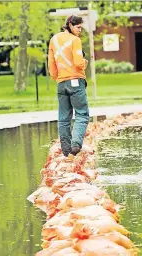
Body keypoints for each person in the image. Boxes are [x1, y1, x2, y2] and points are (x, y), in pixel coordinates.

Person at [48, 15, 89, 156]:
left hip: (61, 83)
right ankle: (76, 146)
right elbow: (78, 63)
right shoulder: (75, 40)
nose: (80, 31)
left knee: (64, 117)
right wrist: (85, 63)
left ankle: (66, 151)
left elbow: (51, 67)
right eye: (78, 27)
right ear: (70, 25)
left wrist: (58, 78)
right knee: (82, 114)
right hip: (76, 82)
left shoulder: (53, 40)